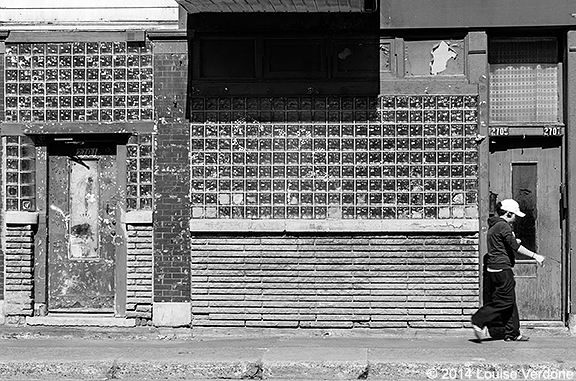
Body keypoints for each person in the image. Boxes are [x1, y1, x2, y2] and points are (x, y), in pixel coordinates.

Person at [471, 199, 545, 342]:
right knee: (504, 301)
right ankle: (479, 319)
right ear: (509, 213)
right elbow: (515, 247)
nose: (516, 219)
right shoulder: (503, 226)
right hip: (502, 269)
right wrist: (536, 256)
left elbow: (502, 244)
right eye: (515, 215)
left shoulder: (494, 226)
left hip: (494, 268)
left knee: (509, 300)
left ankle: (512, 333)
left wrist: (513, 241)